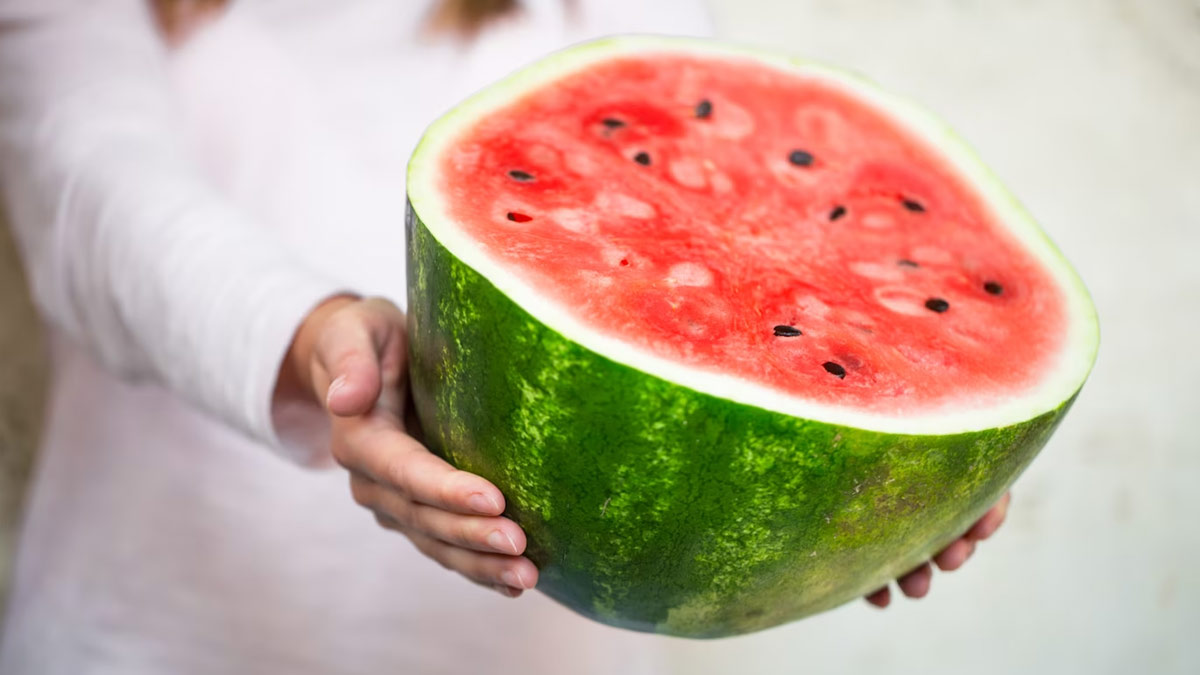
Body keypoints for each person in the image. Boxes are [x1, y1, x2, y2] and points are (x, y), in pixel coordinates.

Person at [0, 1, 1011, 672]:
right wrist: (322, 342)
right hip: (153, 636)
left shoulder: (610, 11)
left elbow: (759, 250)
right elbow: (91, 192)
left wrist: (900, 441)